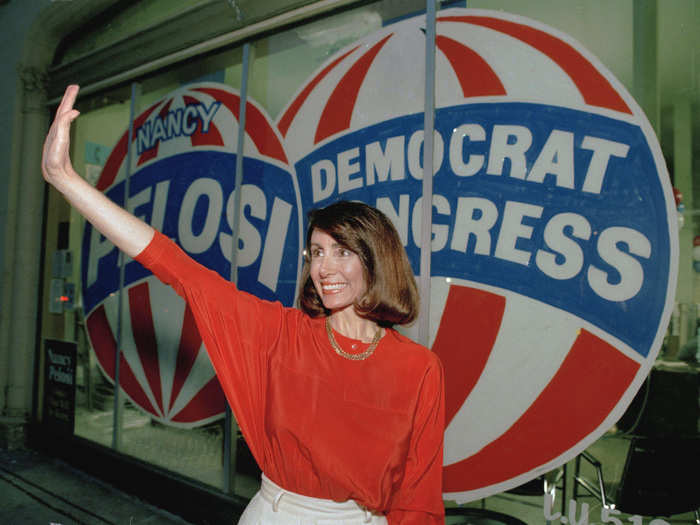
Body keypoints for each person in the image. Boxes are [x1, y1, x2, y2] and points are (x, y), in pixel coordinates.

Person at [42, 85, 445, 524]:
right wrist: (65, 178)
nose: (324, 268)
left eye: (342, 252)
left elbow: (418, 498)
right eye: (317, 252)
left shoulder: (419, 369)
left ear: (376, 260)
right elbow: (177, 267)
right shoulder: (280, 334)